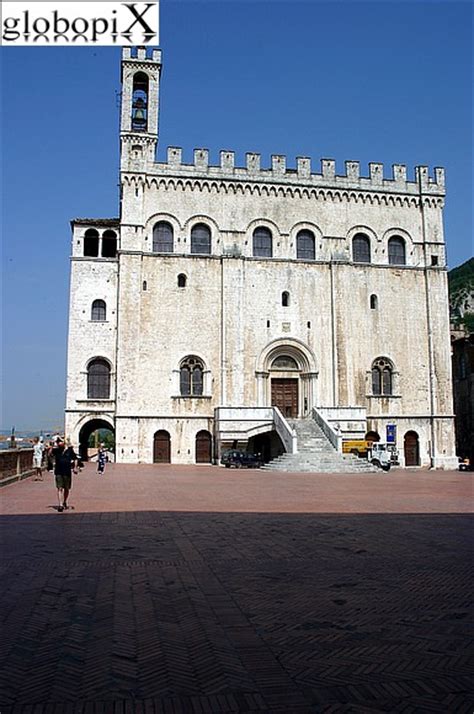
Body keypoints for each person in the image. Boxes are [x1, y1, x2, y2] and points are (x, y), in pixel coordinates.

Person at [52, 437, 77, 512]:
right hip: (58, 471)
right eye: (58, 442)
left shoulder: (70, 450)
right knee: (59, 488)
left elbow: (75, 458)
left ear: (64, 442)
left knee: (66, 488)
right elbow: (49, 454)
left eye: (60, 442)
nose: (58, 443)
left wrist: (75, 467)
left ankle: (64, 501)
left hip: (67, 471)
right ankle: (60, 505)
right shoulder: (56, 450)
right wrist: (52, 446)